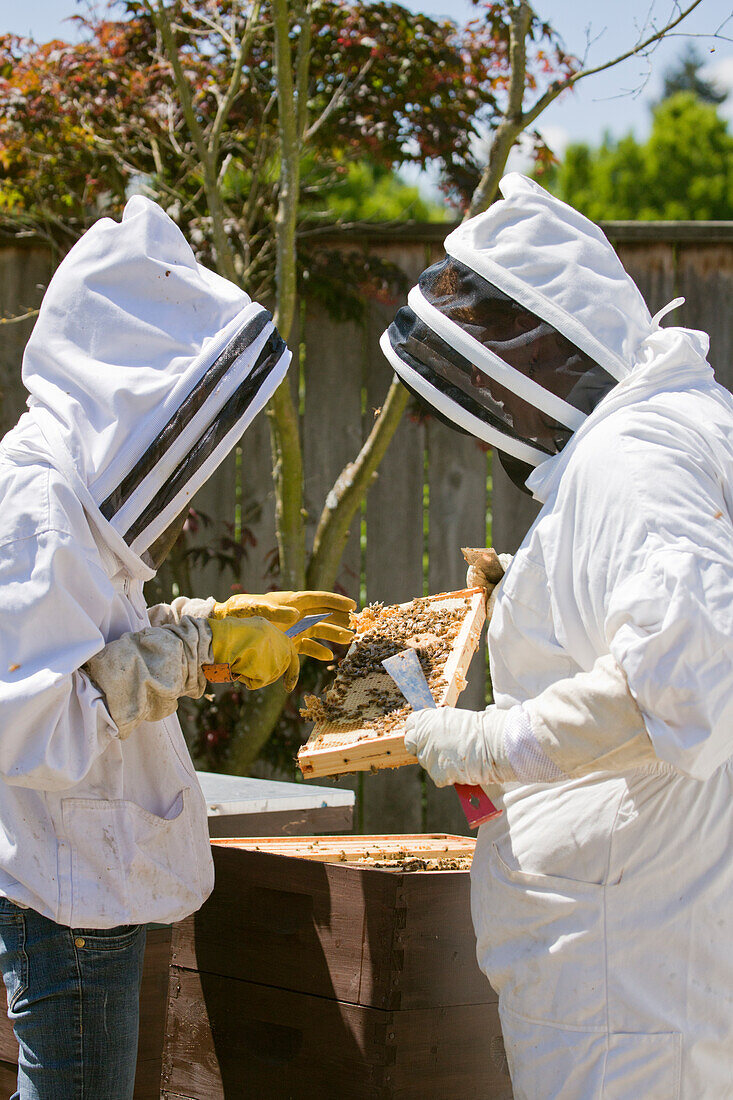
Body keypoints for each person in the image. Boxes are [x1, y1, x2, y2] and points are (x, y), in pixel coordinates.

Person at [380, 173, 733, 1098]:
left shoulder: (632, 460)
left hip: (628, 969)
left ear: (538, 348)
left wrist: (489, 739)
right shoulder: (683, 428)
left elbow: (691, 677)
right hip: (647, 942)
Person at [0, 195, 354, 1099]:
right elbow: (32, 726)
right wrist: (190, 657)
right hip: (65, 894)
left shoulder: (70, 491)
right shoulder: (41, 504)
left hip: (81, 879)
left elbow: (95, 647)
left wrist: (213, 627)